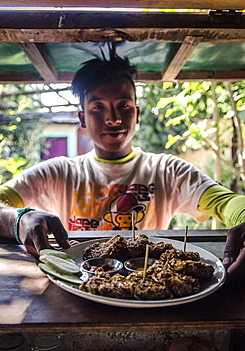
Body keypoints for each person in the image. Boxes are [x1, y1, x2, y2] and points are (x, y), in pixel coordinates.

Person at [0, 48, 245, 282]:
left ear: (137, 113)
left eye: (124, 105)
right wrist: (18, 219)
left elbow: (228, 203)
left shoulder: (168, 171)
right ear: (82, 118)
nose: (114, 118)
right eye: (98, 107)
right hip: (82, 286)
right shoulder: (57, 173)